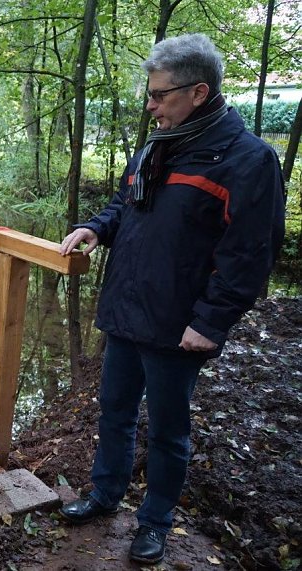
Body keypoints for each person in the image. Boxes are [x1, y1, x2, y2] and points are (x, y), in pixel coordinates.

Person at [58, 34, 285, 565]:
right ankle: (104, 494)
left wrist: (210, 322)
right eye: (150, 94)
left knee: (167, 430)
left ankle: (155, 522)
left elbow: (249, 256)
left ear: (199, 92)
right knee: (113, 412)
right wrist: (95, 227)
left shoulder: (247, 161)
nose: (150, 105)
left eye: (160, 95)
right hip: (126, 312)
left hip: (178, 326)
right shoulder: (157, 144)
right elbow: (125, 205)